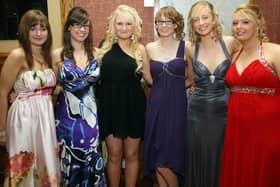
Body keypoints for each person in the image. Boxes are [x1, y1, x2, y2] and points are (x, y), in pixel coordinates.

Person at [219, 4, 280, 187]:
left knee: (265, 169)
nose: (239, 26)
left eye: (245, 22)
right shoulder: (235, 54)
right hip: (237, 127)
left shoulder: (274, 51)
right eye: (235, 23)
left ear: (258, 25)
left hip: (268, 127)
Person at [183, 1, 240, 187]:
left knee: (222, 155)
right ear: (191, 24)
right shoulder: (190, 48)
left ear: (214, 17)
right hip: (197, 112)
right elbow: (191, 79)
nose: (201, 23)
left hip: (224, 110)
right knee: (199, 155)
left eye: (205, 17)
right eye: (195, 20)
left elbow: (242, 74)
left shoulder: (231, 42)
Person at [0, 9, 59, 186]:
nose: (39, 33)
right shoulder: (17, 56)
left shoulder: (48, 56)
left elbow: (49, 90)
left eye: (43, 28)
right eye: (33, 29)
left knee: (45, 160)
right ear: (25, 31)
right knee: (23, 164)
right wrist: (2, 128)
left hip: (45, 116)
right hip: (23, 117)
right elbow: (2, 92)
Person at [52, 7, 106, 186]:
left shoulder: (97, 54)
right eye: (77, 25)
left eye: (85, 26)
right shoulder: (57, 55)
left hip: (91, 116)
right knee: (69, 162)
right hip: (66, 117)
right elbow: (48, 86)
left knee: (91, 155)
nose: (82, 30)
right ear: (68, 27)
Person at [96, 5, 147, 187]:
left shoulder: (140, 49)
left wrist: (186, 83)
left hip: (134, 107)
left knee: (132, 155)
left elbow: (150, 79)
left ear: (135, 27)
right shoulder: (103, 47)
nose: (124, 28)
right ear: (113, 25)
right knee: (114, 155)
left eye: (128, 24)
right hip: (110, 107)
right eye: (120, 23)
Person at [143, 6, 192, 187]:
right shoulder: (148, 48)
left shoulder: (186, 47)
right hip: (155, 106)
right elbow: (148, 78)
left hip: (177, 108)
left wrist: (175, 90)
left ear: (176, 24)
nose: (163, 25)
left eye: (167, 21)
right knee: (158, 158)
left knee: (168, 159)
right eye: (159, 22)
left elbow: (190, 79)